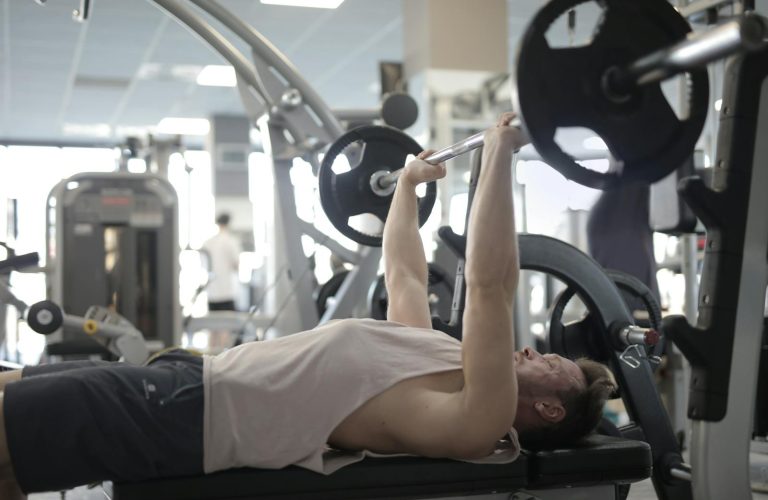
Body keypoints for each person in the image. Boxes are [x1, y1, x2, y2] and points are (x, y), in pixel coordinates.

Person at [0, 114, 616, 499]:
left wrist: (499, 157)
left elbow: (489, 286)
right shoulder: (436, 360)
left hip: (190, 420)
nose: (534, 348)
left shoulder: (477, 417)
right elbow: (403, 272)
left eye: (552, 366)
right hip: (185, 379)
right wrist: (403, 188)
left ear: (545, 408)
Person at [201, 213, 242, 312]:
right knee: (227, 323)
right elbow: (236, 265)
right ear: (229, 224)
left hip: (212, 292)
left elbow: (203, 265)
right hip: (227, 292)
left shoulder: (208, 243)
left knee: (214, 323)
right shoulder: (231, 241)